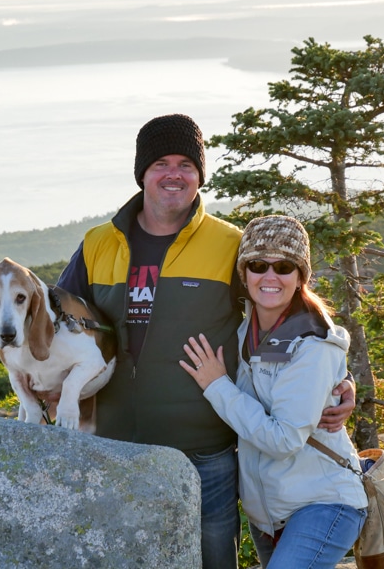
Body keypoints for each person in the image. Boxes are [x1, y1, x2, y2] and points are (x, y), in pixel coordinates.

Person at [57, 114, 355, 568]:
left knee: (215, 561)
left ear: (200, 175)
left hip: (207, 453)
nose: (173, 173)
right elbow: (58, 323)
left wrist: (339, 378)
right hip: (115, 444)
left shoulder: (229, 245)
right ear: (142, 172)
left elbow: (286, 314)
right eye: (160, 163)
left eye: (186, 164)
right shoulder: (98, 243)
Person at [180, 214, 367, 569]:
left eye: (283, 266)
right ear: (244, 274)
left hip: (322, 503)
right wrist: (344, 383)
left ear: (300, 278)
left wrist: (217, 385)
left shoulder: (312, 343)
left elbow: (284, 439)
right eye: (257, 265)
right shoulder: (244, 324)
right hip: (268, 515)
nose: (269, 276)